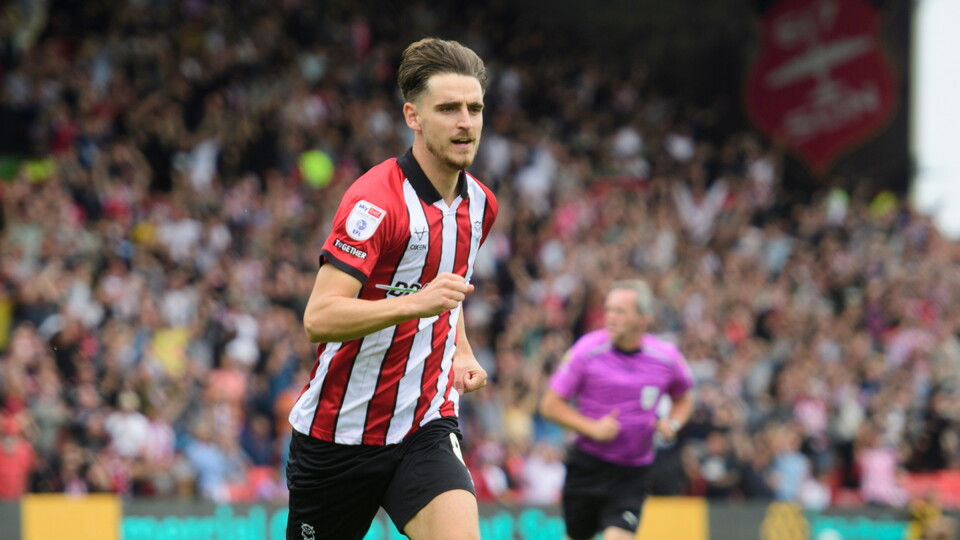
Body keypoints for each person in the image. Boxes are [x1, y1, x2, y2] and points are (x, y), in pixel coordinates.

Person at [285, 37, 497, 540]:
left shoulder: (481, 205)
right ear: (413, 116)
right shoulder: (375, 202)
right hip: (340, 434)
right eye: (448, 108)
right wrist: (415, 303)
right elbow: (319, 317)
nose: (465, 121)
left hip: (426, 423)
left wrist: (461, 350)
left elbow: (449, 285)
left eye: (474, 108)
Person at [539, 279, 695, 540]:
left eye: (620, 311)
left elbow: (684, 397)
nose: (610, 317)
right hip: (587, 467)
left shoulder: (666, 358)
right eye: (609, 309)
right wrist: (592, 428)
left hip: (633, 473)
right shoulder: (587, 350)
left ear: (643, 319)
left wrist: (673, 424)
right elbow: (549, 405)